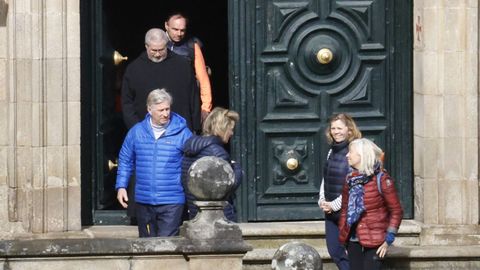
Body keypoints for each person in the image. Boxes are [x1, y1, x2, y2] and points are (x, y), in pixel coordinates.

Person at [115, 89, 192, 237]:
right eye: (161, 110)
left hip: (172, 199)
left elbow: (192, 162)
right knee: (147, 245)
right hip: (145, 199)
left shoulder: (183, 133)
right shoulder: (136, 132)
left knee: (167, 245)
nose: (165, 114)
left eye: (167, 109)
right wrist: (121, 186)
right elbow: (125, 159)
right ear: (149, 109)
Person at [338, 138, 403, 270]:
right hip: (353, 238)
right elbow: (344, 209)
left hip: (376, 239)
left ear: (361, 155)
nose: (347, 155)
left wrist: (388, 239)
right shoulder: (349, 179)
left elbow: (396, 211)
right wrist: (343, 236)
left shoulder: (382, 179)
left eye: (350, 152)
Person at [121, 28, 200, 132]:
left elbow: (193, 98)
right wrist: (136, 128)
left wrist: (196, 127)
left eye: (161, 50)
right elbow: (127, 103)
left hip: (179, 131)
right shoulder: (134, 69)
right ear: (146, 46)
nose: (158, 54)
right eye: (154, 50)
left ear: (167, 45)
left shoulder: (183, 66)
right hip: (146, 133)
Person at [181, 107, 242, 222]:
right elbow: (227, 187)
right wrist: (238, 170)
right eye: (230, 129)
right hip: (218, 215)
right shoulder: (217, 153)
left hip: (194, 212)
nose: (232, 133)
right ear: (222, 129)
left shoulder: (189, 148)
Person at [318, 113, 362, 270]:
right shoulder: (332, 151)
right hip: (330, 211)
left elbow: (354, 185)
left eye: (339, 128)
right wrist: (322, 200)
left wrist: (334, 205)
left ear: (349, 130)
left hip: (347, 212)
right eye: (333, 128)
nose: (336, 132)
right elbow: (326, 176)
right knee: (335, 251)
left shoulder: (354, 152)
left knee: (352, 252)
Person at [164, 12, 212, 121]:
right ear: (166, 26)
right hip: (163, 101)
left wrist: (205, 108)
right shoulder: (158, 44)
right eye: (175, 29)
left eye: (182, 30)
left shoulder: (191, 46)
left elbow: (203, 78)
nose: (179, 33)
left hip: (186, 101)